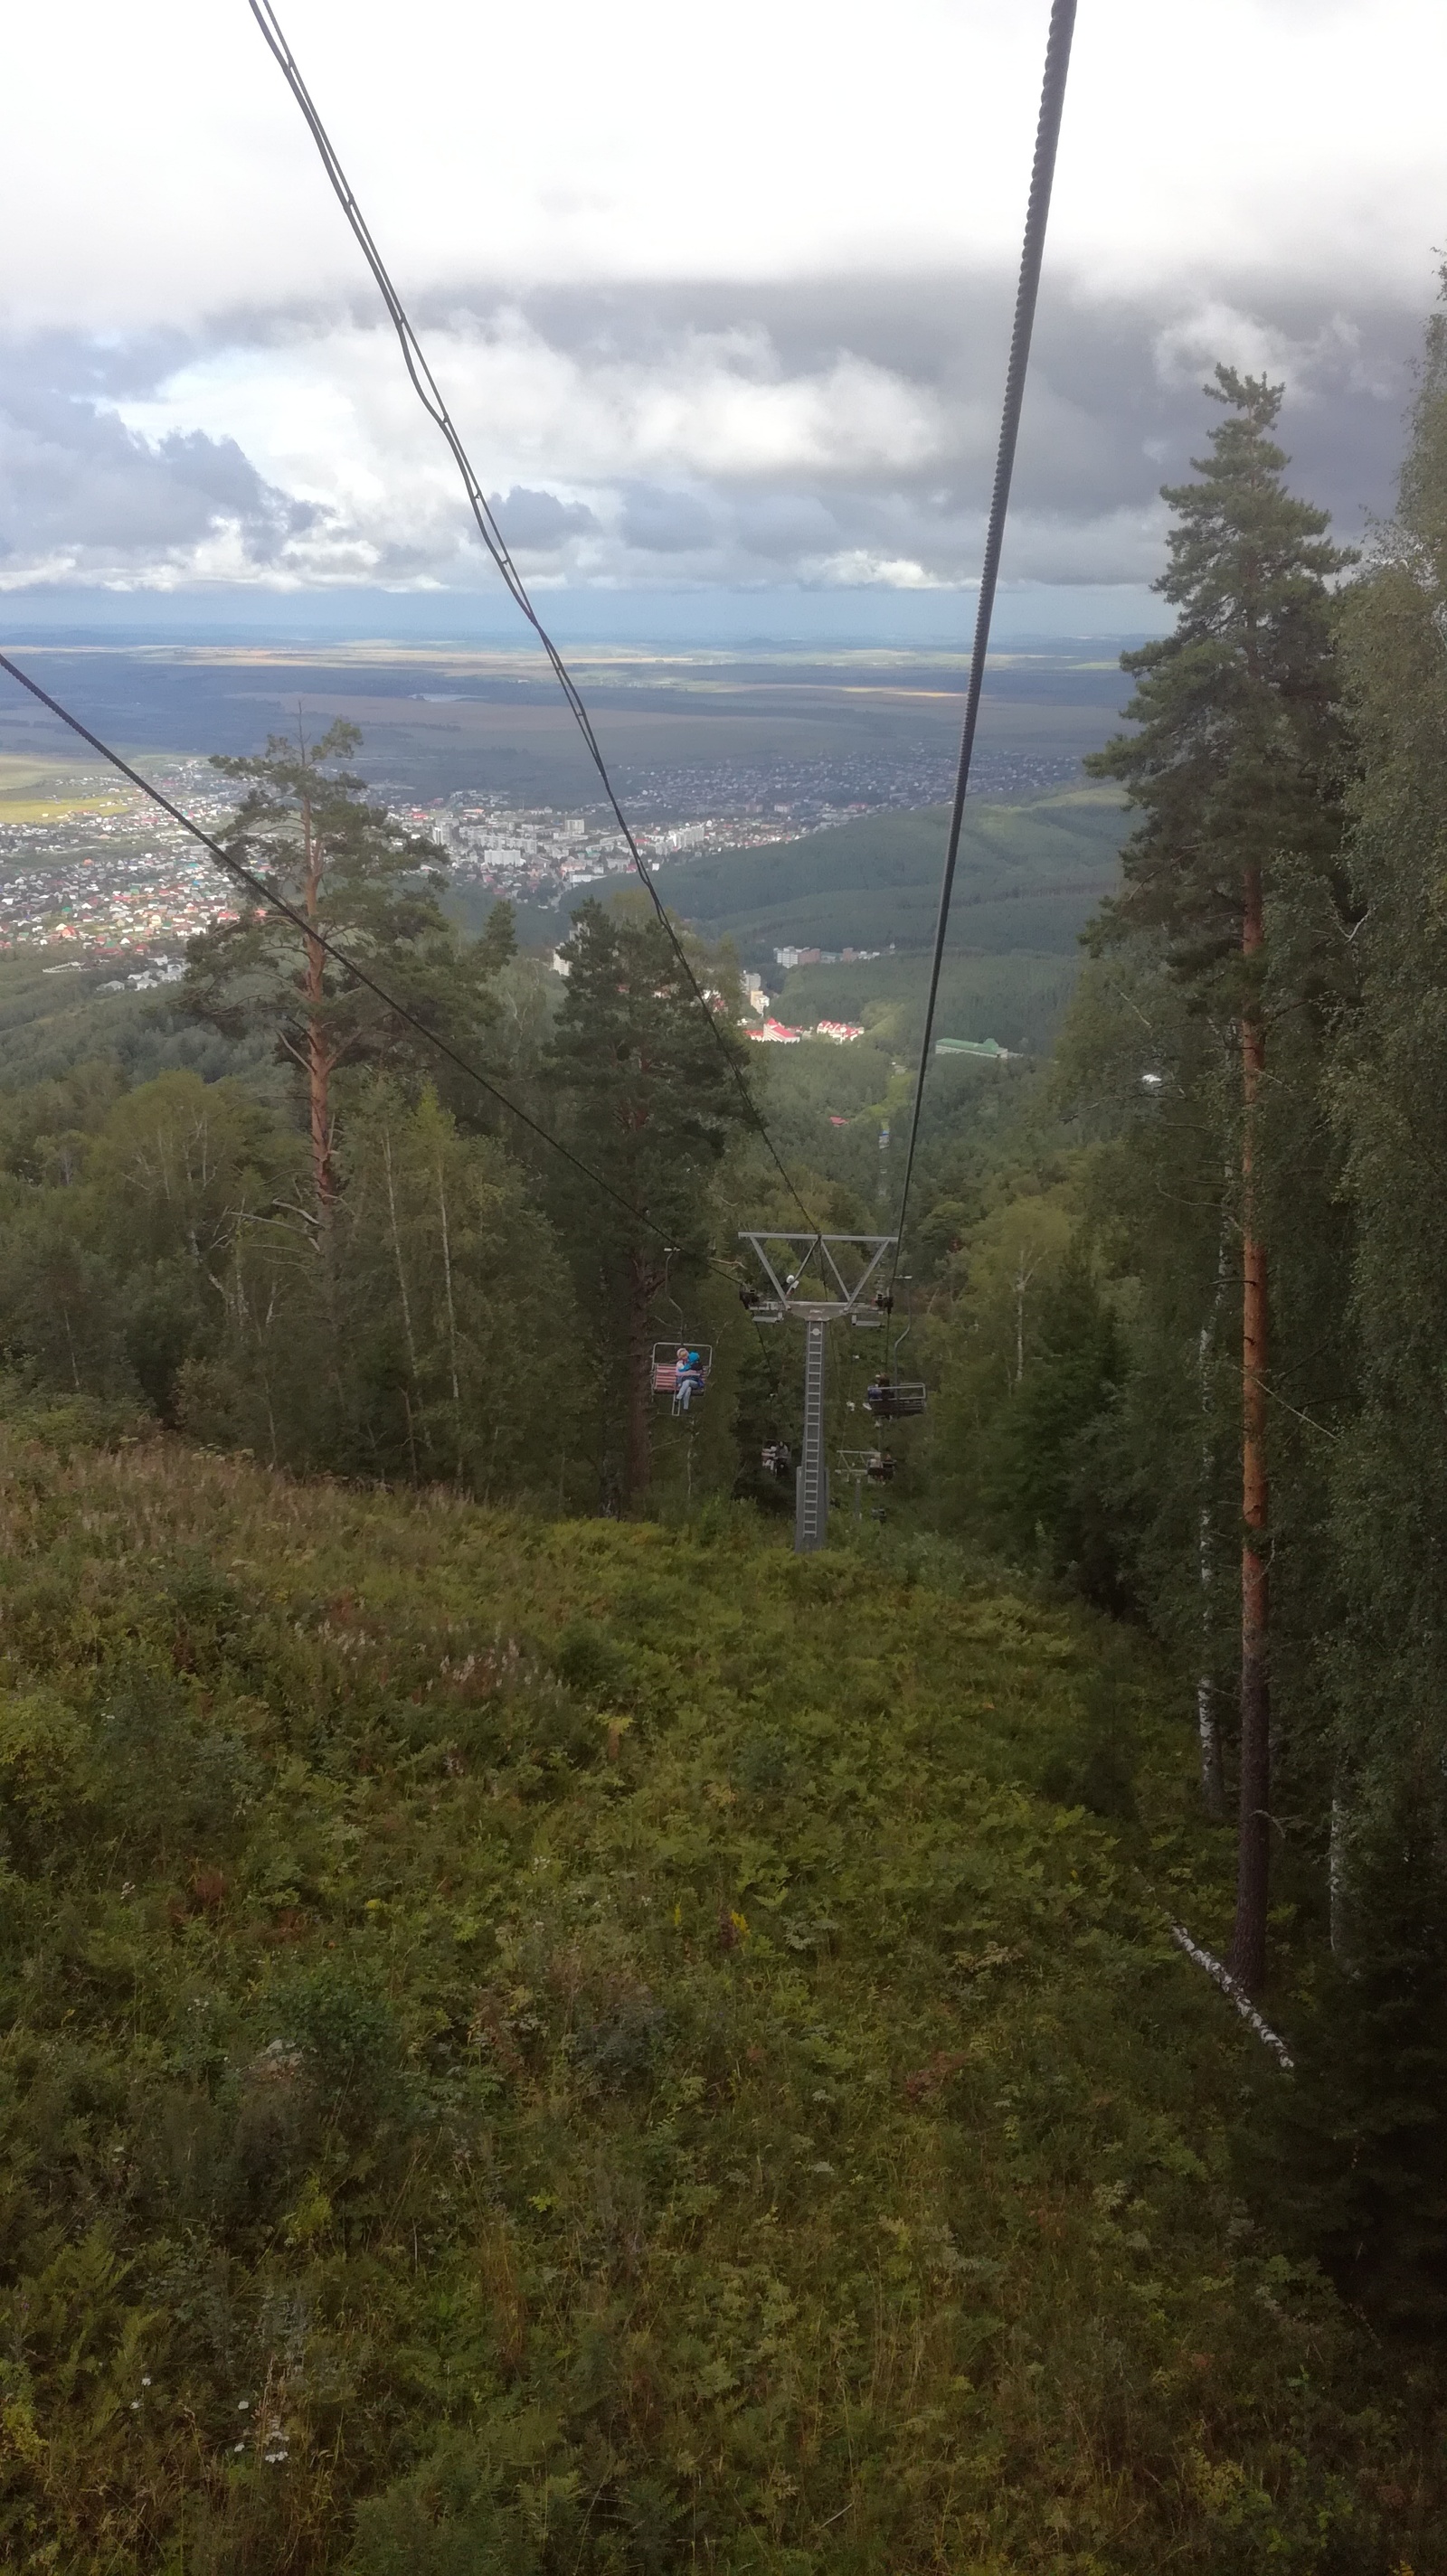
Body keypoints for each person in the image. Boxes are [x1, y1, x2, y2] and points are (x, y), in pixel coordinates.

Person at [675, 1346, 706, 1411]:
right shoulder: (680, 1364)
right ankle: (685, 1408)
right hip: (684, 1383)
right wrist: (686, 1373)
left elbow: (699, 1371)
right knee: (688, 1389)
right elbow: (678, 1373)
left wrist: (693, 1371)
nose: (685, 1358)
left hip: (695, 1382)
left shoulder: (695, 1364)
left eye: (685, 1355)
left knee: (687, 1382)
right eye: (683, 1356)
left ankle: (678, 1397)